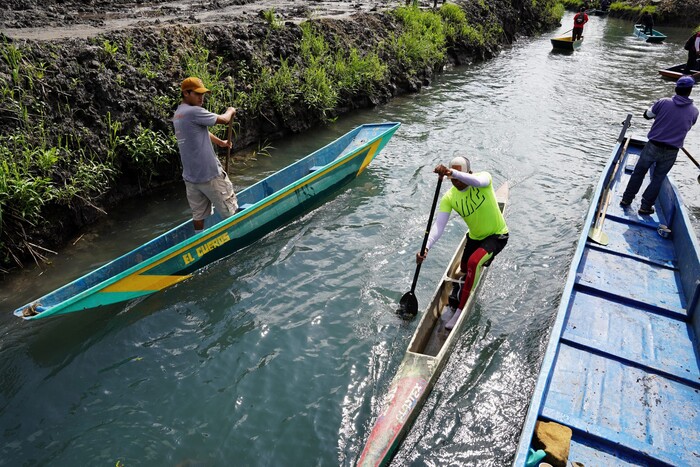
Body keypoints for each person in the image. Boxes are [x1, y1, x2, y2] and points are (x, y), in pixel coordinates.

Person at [416, 157, 509, 331]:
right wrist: (426, 247)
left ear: (469, 173)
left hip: (497, 236)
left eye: (458, 176)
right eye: (452, 178)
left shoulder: (483, 179)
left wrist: (452, 172)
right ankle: (472, 274)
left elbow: (477, 180)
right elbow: (438, 226)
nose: (456, 181)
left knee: (474, 263)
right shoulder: (449, 197)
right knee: (465, 268)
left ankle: (458, 312)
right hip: (474, 238)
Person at [620, 76, 699, 215]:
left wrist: (658, 112)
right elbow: (687, 126)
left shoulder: (663, 102)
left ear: (676, 89)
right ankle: (645, 206)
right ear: (690, 91)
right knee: (658, 178)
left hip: (653, 145)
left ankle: (626, 199)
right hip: (672, 150)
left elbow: (647, 115)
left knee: (639, 172)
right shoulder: (694, 111)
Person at [173, 76, 238, 234]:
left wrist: (219, 142)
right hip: (210, 175)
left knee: (198, 215)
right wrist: (231, 110)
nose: (201, 98)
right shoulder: (194, 111)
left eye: (202, 94)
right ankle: (237, 234)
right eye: (197, 94)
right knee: (230, 209)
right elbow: (223, 120)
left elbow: (199, 131)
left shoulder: (179, 114)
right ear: (186, 93)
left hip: (191, 178)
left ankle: (199, 242)